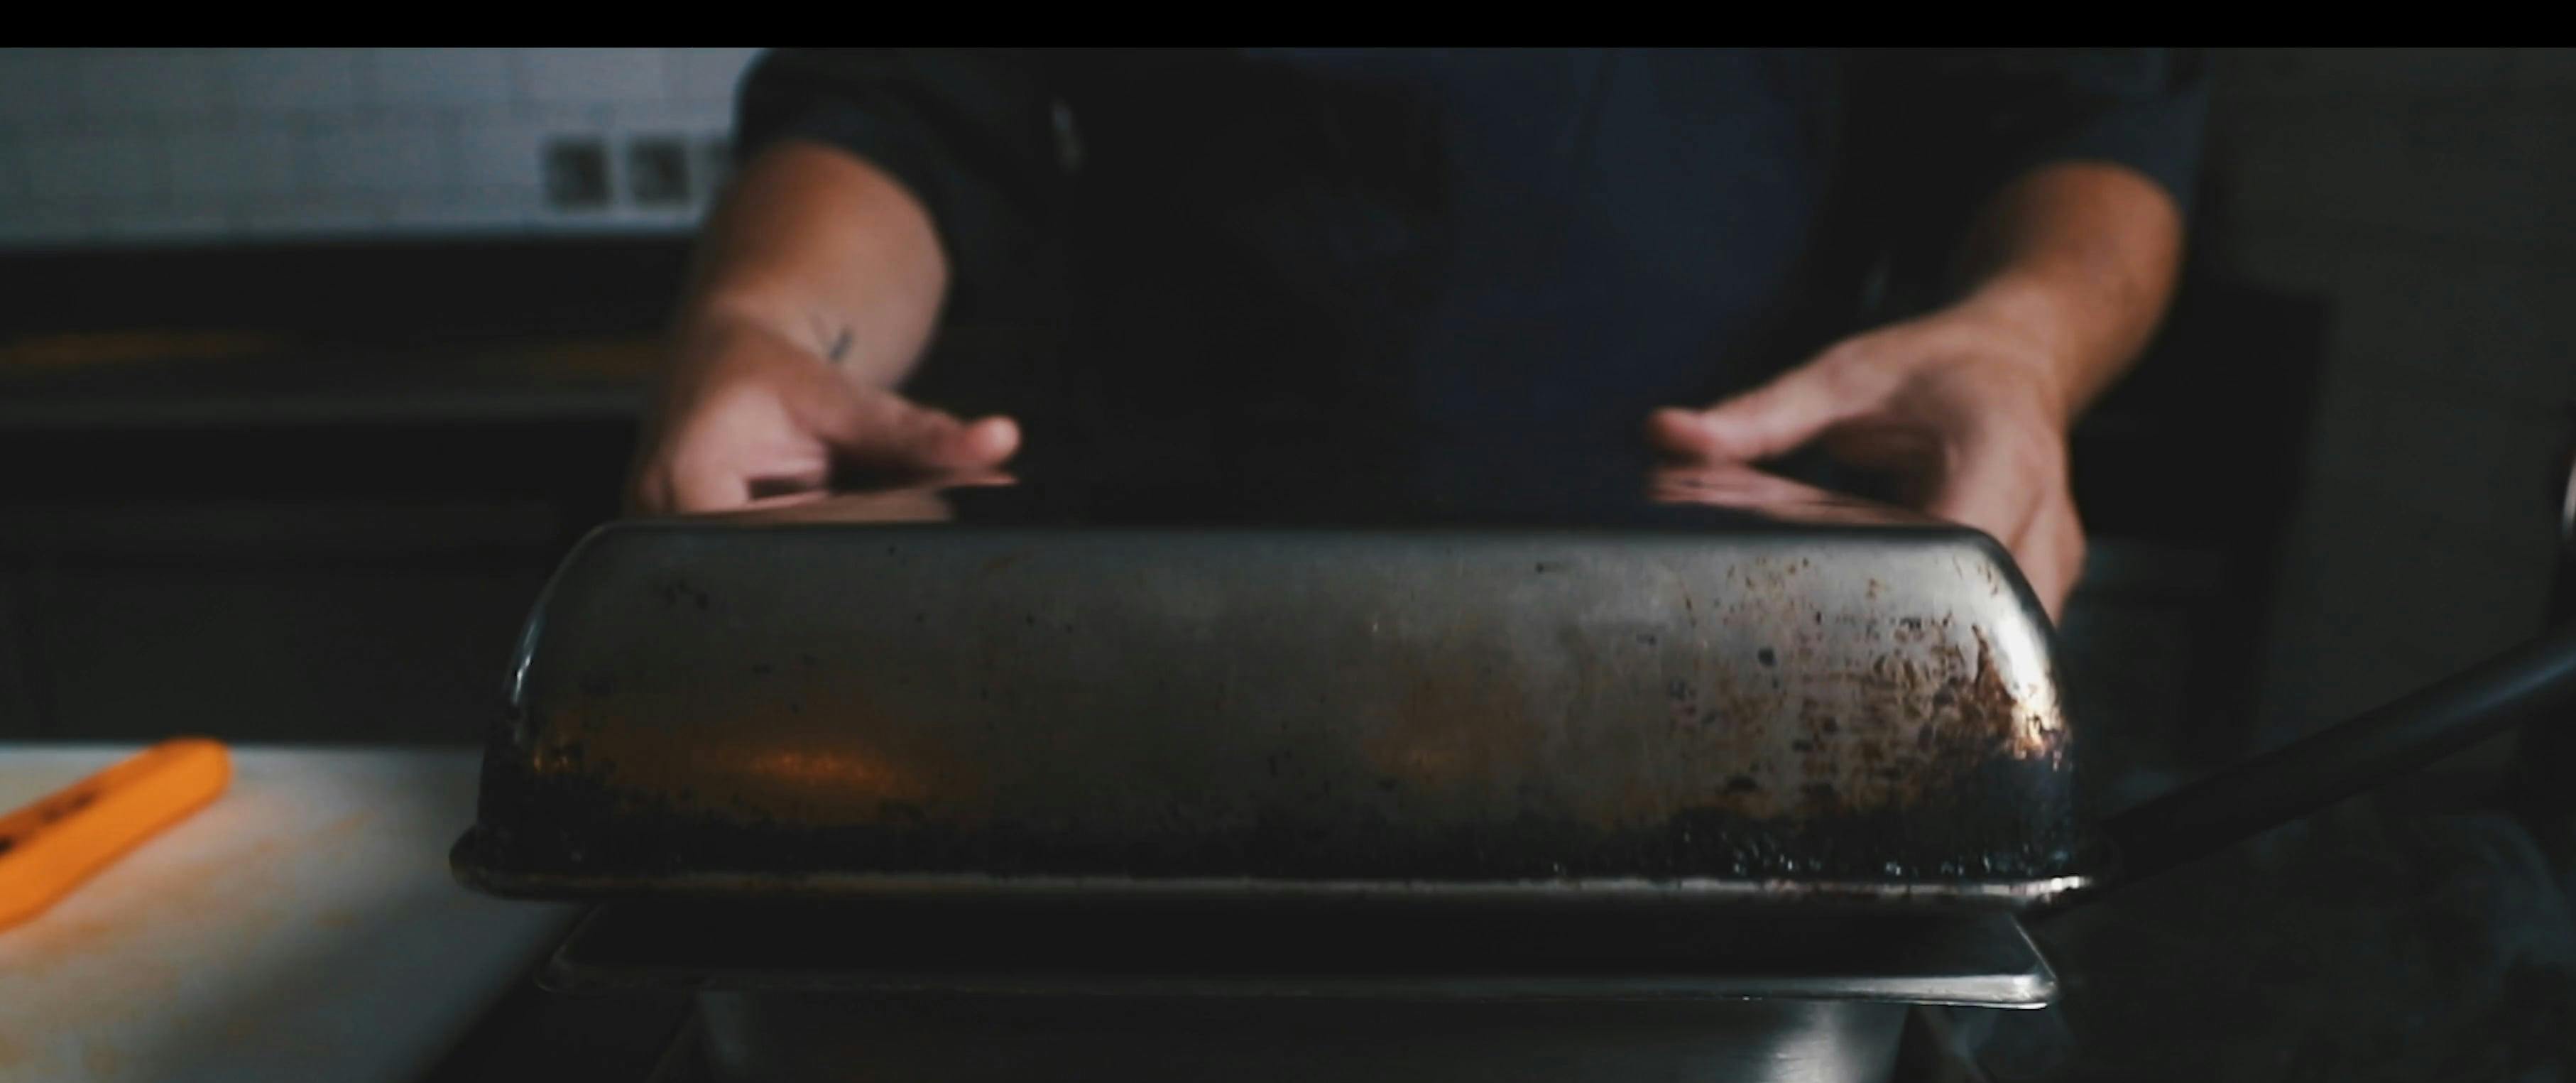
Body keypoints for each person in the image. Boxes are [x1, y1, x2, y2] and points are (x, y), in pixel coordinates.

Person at [631, 48, 2207, 618]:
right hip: (1131, 623)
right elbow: (903, 104)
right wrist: (772, 320)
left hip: (1729, 631)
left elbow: (2081, 109)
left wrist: (2023, 340)